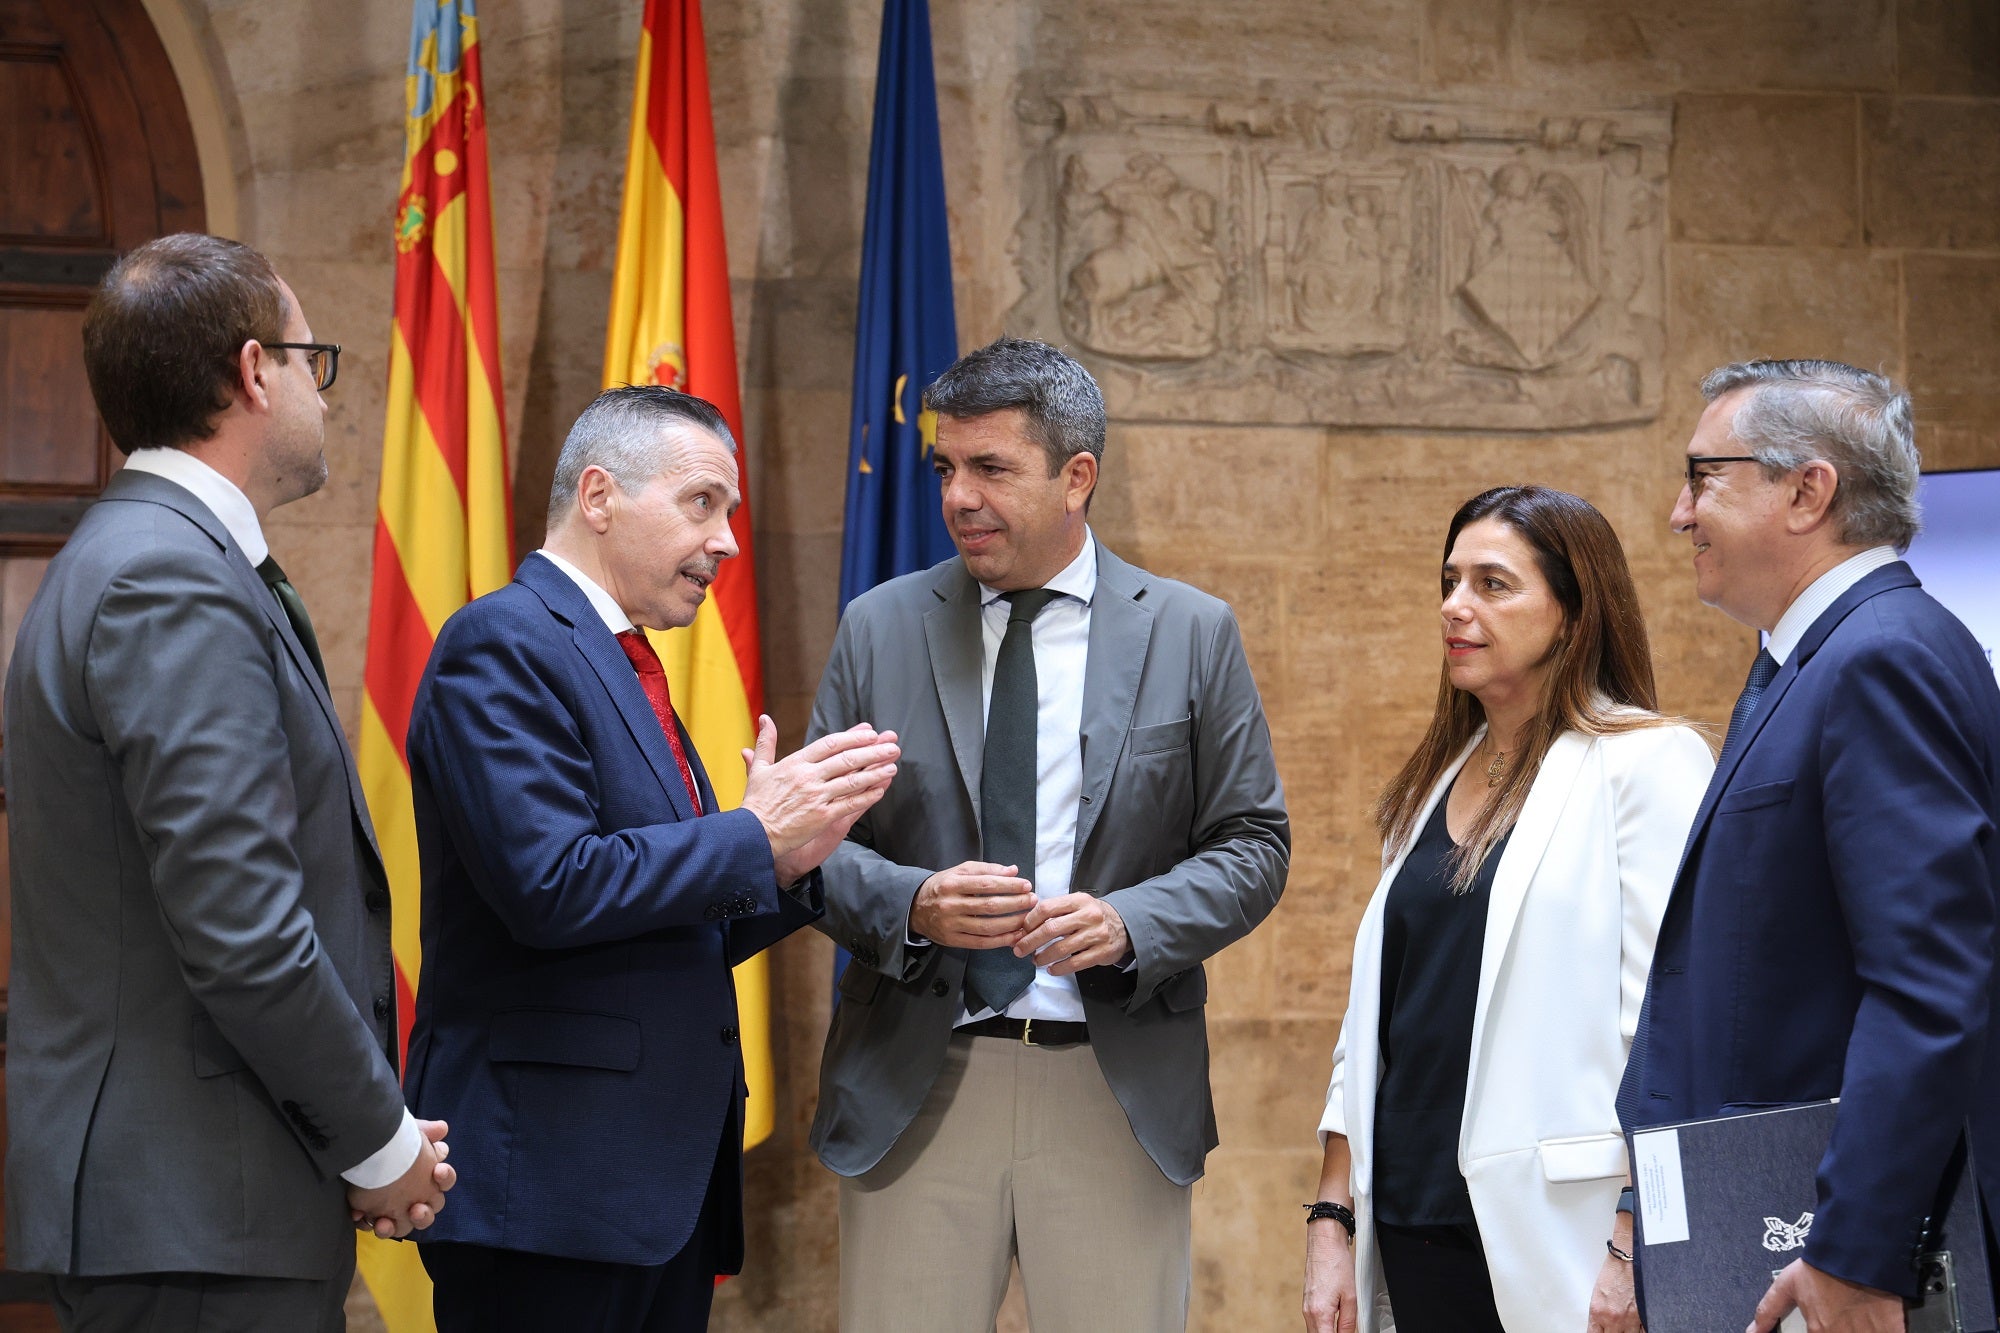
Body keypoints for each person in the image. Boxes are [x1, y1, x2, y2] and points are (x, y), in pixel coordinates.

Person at [4, 233, 454, 1332]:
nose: (322, 394)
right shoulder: (168, 576)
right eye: (312, 360)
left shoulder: (145, 553)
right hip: (196, 1210)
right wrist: (380, 1140)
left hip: (204, 1208)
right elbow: (243, 930)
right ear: (255, 372)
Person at [808, 336, 1290, 1331]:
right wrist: (913, 902)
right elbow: (806, 848)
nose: (958, 497)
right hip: (916, 1076)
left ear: (1077, 477)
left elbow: (1253, 843)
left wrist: (1129, 921)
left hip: (1112, 1083)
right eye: (945, 467)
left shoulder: (1190, 632)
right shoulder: (877, 626)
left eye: (990, 468)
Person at [402, 385, 900, 1332]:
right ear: (598, 496)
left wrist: (783, 864)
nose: (727, 542)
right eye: (702, 503)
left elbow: (665, 920)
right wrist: (751, 833)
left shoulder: (626, 660)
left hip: (644, 1193)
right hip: (549, 1195)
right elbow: (551, 886)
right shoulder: (503, 641)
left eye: (730, 512)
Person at [1618, 360, 2000, 1333]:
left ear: (1806, 491)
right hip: (1759, 1228)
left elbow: (1926, 982)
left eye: (1702, 477)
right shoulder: (1814, 661)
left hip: (1846, 1261)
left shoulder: (1881, 657)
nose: (1678, 512)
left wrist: (1854, 1251)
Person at [1304, 486, 1712, 1333]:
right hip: (1408, 1221)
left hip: (1565, 1235)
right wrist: (1331, 1217)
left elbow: (1678, 1026)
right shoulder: (1432, 783)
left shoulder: (1647, 761)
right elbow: (1370, 1027)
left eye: (1493, 584)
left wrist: (1639, 1237)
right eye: (1450, 581)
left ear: (1573, 613)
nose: (1455, 605)